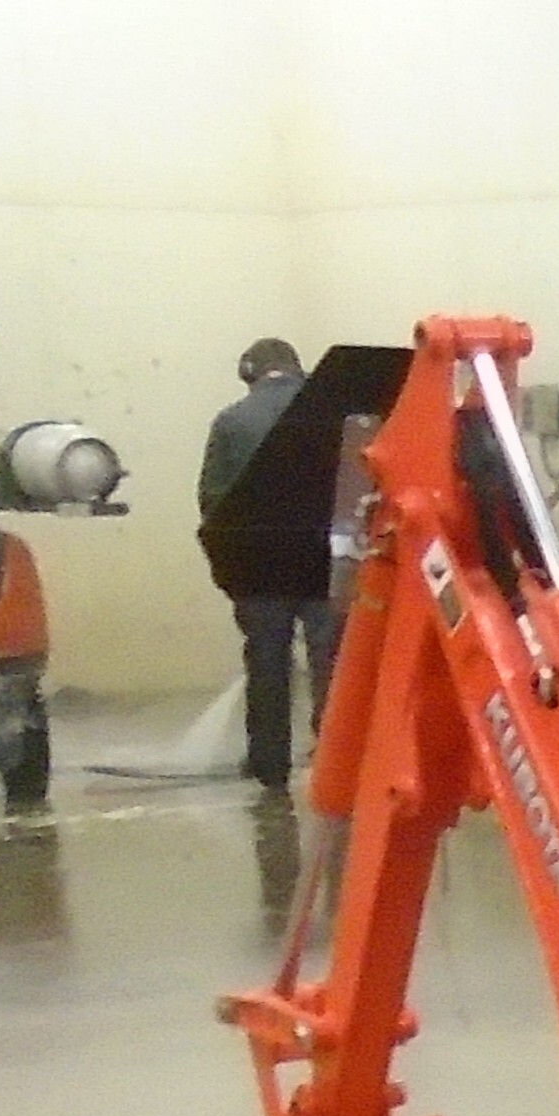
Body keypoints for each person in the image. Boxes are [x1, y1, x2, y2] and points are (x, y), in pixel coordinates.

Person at [196, 336, 337, 785]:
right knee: (330, 656)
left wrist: (229, 564)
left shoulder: (231, 421)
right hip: (324, 558)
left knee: (267, 659)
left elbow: (213, 499)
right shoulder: (333, 414)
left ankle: (269, 763)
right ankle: (335, 754)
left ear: (249, 372)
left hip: (259, 566)